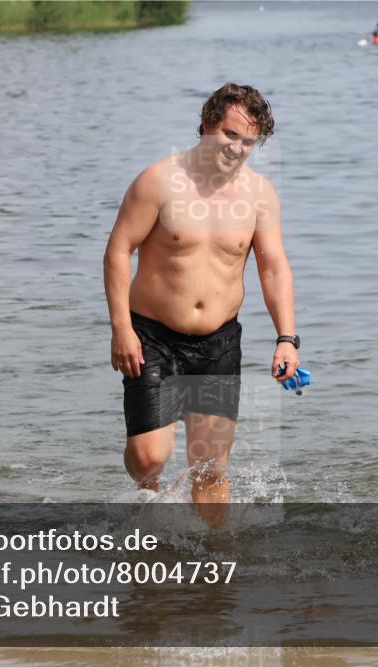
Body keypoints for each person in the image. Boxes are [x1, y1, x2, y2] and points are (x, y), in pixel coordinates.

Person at [103, 83, 299, 519]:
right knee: (150, 457)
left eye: (249, 142)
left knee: (211, 469)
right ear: (208, 124)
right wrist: (121, 329)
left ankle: (217, 566)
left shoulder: (260, 195)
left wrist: (287, 338)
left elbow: (273, 268)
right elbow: (118, 250)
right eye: (231, 136)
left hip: (218, 343)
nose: (238, 149)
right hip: (152, 336)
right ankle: (148, 497)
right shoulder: (159, 180)